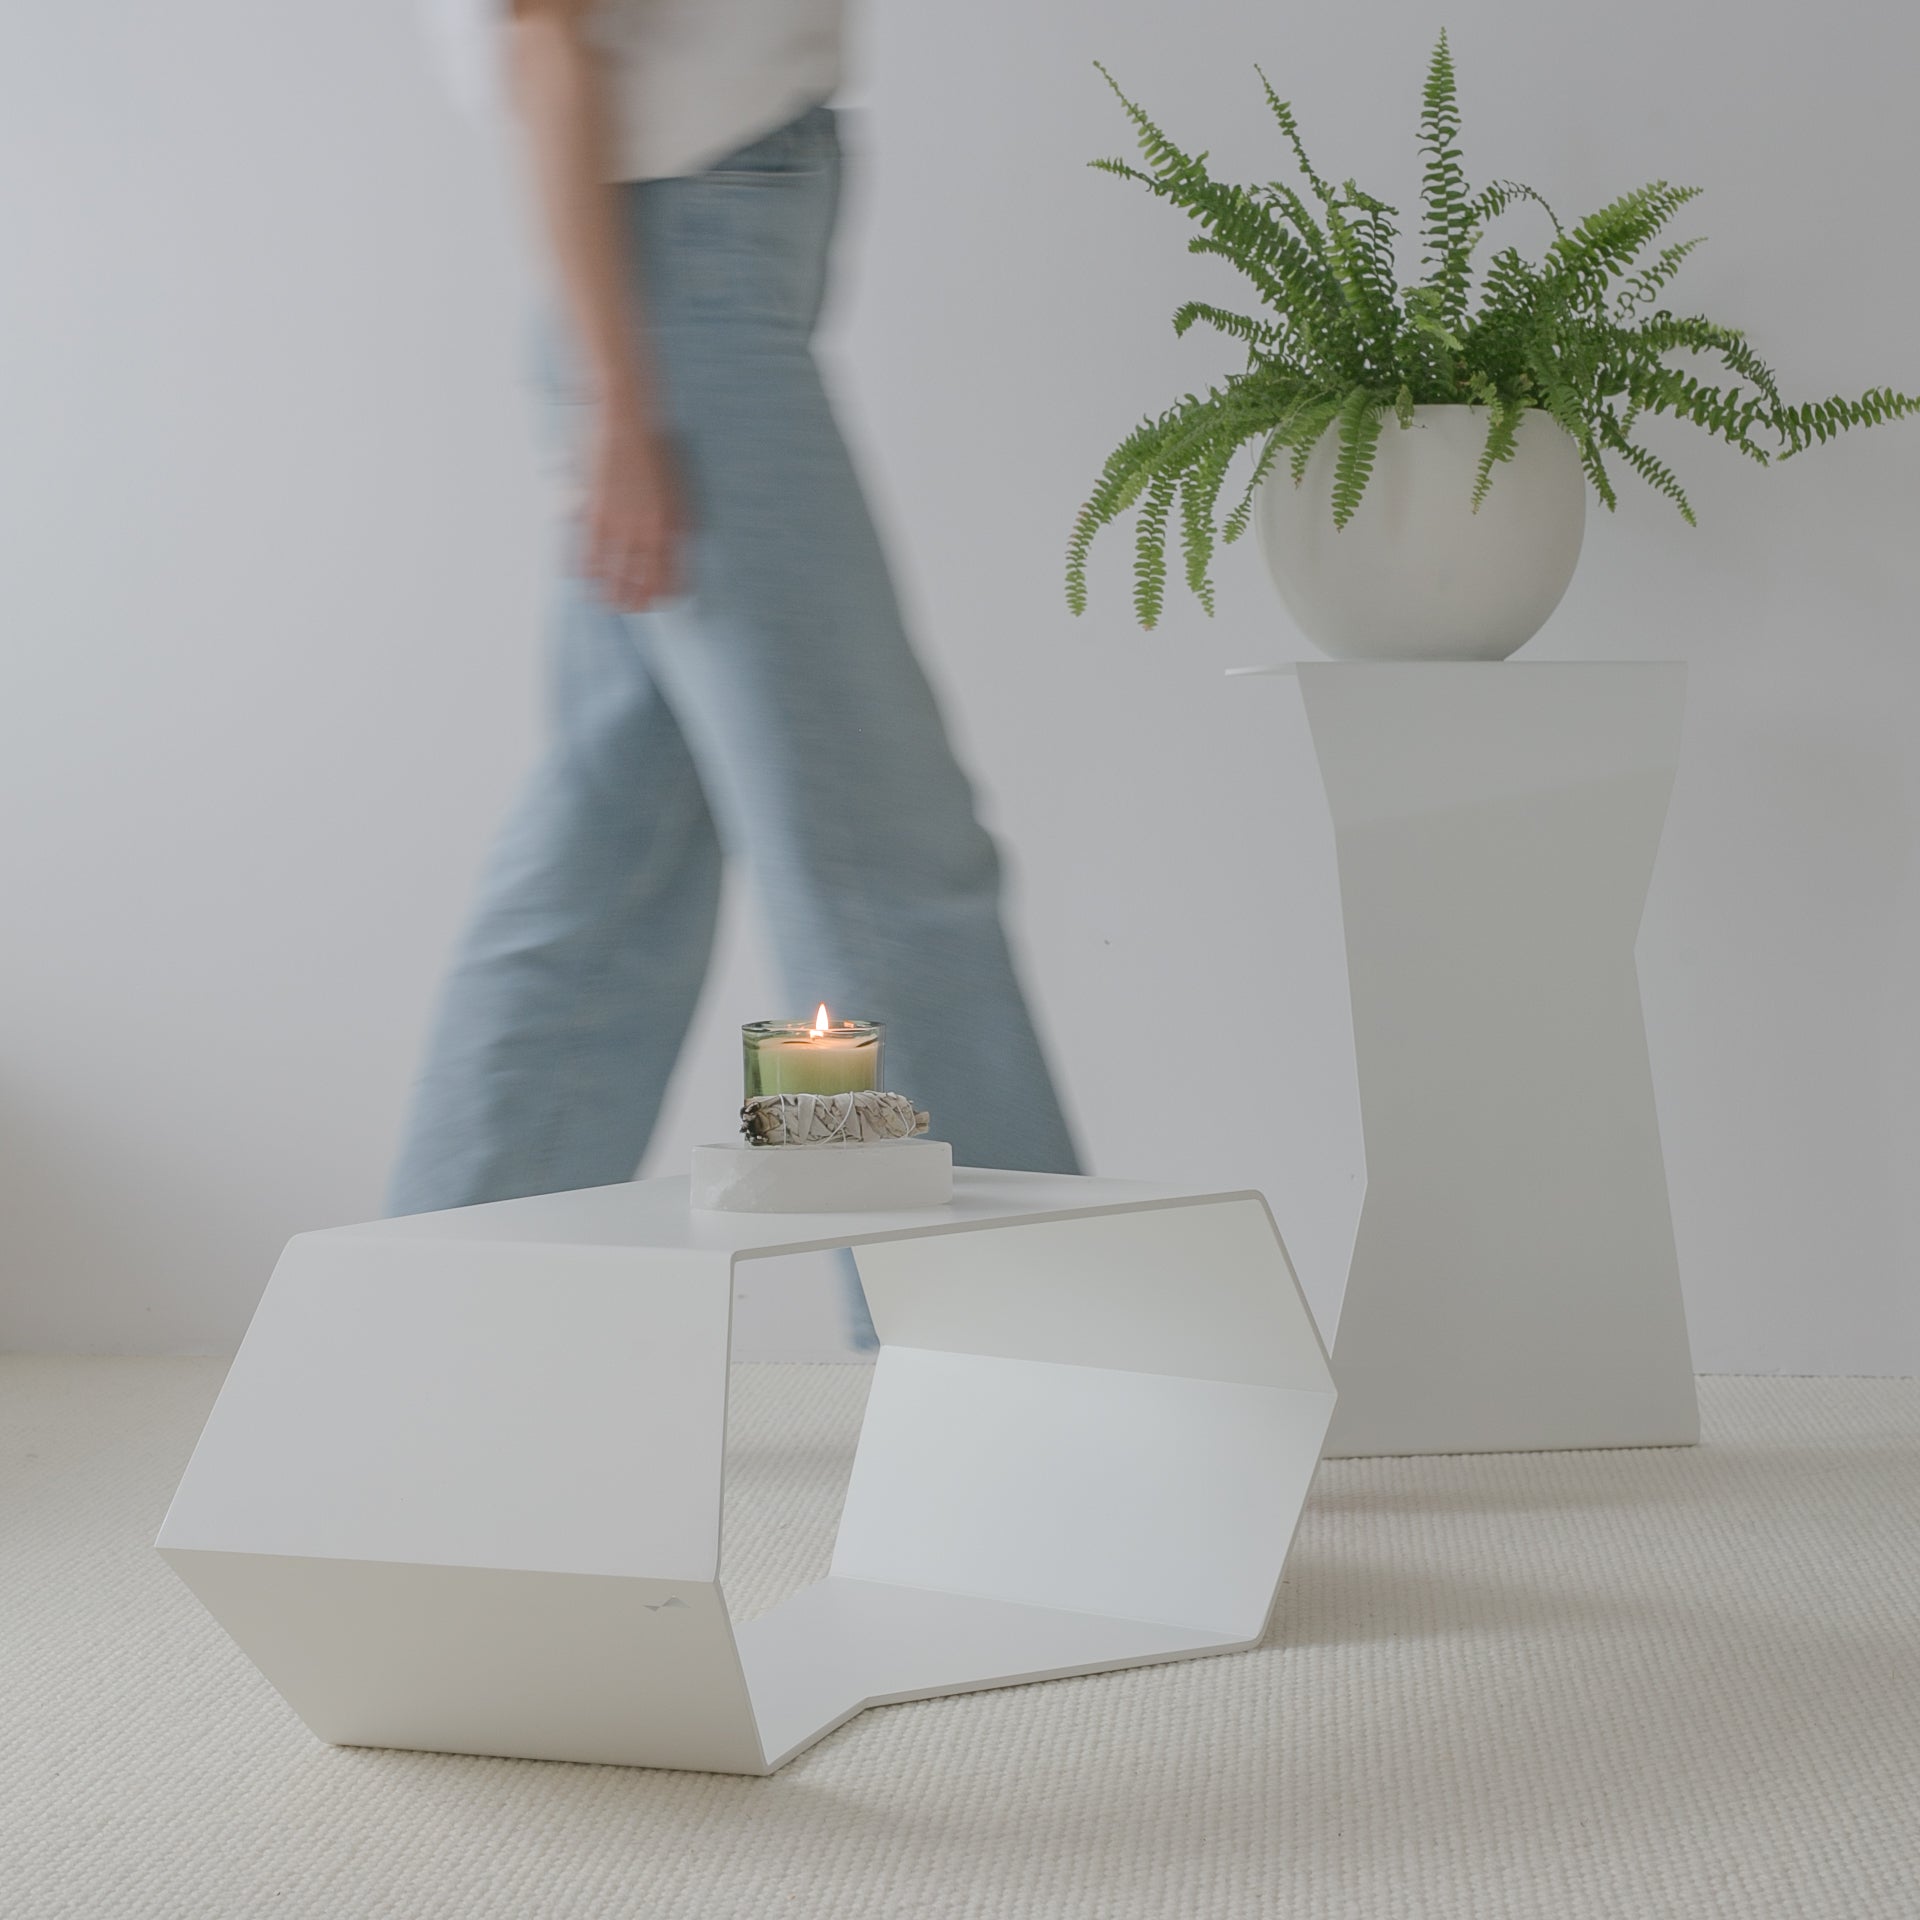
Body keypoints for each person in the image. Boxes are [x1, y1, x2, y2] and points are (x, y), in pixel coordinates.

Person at [394, 0, 1079, 1337]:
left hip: (698, 285)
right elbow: (544, 38)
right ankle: (1004, 1346)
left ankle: (428, 1336)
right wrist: (621, 407)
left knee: (610, 869)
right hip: (677, 317)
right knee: (884, 862)